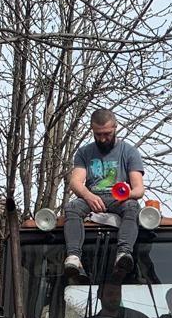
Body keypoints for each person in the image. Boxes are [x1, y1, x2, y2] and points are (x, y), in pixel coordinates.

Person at [60, 109, 147, 280]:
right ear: (92, 130)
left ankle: (123, 254)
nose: (102, 138)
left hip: (120, 200)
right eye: (98, 134)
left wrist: (126, 195)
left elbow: (139, 189)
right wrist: (88, 196)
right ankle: (74, 258)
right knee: (71, 208)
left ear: (115, 127)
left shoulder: (129, 152)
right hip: (92, 199)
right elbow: (75, 182)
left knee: (133, 207)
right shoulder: (84, 152)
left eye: (107, 133)